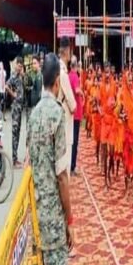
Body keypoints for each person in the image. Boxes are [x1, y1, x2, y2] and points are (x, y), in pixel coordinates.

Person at [27, 53, 74, 265]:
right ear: (57, 81)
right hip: (54, 221)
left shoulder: (33, 116)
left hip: (36, 218)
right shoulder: (57, 114)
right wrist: (70, 220)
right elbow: (62, 177)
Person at [118, 68, 133, 205]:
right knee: (127, 164)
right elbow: (118, 112)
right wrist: (122, 116)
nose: (131, 83)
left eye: (132, 80)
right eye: (129, 80)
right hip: (125, 134)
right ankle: (127, 191)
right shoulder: (121, 95)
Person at [57, 47, 77, 176]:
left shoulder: (54, 69)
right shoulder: (63, 73)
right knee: (64, 165)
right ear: (66, 52)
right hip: (64, 120)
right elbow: (73, 105)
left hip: (57, 118)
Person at [6, 60, 26, 168]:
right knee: (14, 134)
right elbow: (6, 85)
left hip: (20, 108)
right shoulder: (14, 76)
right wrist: (13, 94)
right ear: (16, 65)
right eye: (18, 66)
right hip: (15, 108)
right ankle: (14, 159)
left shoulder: (21, 76)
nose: (19, 68)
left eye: (21, 66)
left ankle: (16, 158)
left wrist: (23, 75)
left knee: (18, 133)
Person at [69, 58, 84, 176]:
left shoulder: (69, 75)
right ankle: (72, 166)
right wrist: (82, 93)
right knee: (74, 141)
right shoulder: (74, 76)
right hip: (76, 114)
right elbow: (77, 90)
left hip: (73, 113)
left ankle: (71, 164)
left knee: (72, 140)